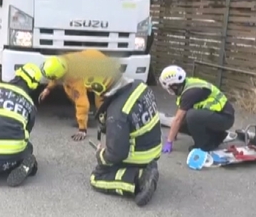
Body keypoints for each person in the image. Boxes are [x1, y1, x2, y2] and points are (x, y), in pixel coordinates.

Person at [85, 69, 161, 207]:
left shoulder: (118, 113)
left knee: (97, 176)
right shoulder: (140, 85)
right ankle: (148, 166)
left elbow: (116, 155)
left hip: (140, 154)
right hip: (154, 146)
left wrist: (101, 154)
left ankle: (139, 178)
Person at [159, 65, 235, 154]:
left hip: (225, 118)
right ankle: (217, 136)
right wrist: (174, 133)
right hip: (218, 115)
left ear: (174, 86)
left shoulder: (190, 93)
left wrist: (169, 142)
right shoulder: (187, 84)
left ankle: (205, 145)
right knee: (184, 122)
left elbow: (177, 119)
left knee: (192, 116)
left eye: (169, 87)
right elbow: (180, 118)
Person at [40, 49, 112, 141]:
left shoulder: (74, 77)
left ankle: (109, 120)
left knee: (101, 101)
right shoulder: (62, 61)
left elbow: (82, 103)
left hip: (103, 69)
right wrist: (48, 88)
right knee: (70, 90)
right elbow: (56, 75)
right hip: (94, 58)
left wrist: (82, 129)